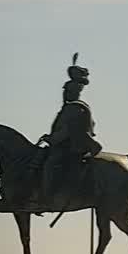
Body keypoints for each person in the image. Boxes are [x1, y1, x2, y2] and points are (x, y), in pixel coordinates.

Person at [38, 54, 102, 206]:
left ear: (73, 91)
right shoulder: (77, 106)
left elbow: (67, 131)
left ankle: (47, 197)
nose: (64, 93)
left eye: (66, 90)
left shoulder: (73, 108)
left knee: (49, 164)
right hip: (67, 144)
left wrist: (51, 139)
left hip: (71, 147)